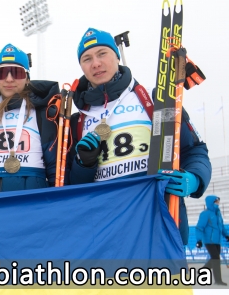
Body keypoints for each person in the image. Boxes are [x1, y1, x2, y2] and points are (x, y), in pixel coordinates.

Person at [66, 28, 212, 244]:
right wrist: (83, 163)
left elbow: (194, 150)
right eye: (87, 58)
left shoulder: (155, 101)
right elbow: (74, 188)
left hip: (157, 224)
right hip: (106, 232)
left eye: (102, 53)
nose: (95, 63)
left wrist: (195, 178)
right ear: (82, 67)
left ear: (117, 56)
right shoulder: (77, 121)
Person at [0, 44, 60, 192]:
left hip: (32, 205)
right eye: (1, 73)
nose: (9, 79)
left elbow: (55, 168)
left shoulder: (42, 115)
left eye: (17, 72)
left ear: (27, 78)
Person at [196, 196, 228, 286]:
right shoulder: (205, 214)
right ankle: (218, 280)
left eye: (218, 202)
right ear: (211, 202)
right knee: (216, 259)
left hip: (217, 241)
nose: (218, 203)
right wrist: (199, 240)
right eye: (216, 202)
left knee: (214, 258)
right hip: (209, 241)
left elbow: (221, 226)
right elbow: (199, 227)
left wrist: (226, 235)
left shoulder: (218, 214)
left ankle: (202, 271)